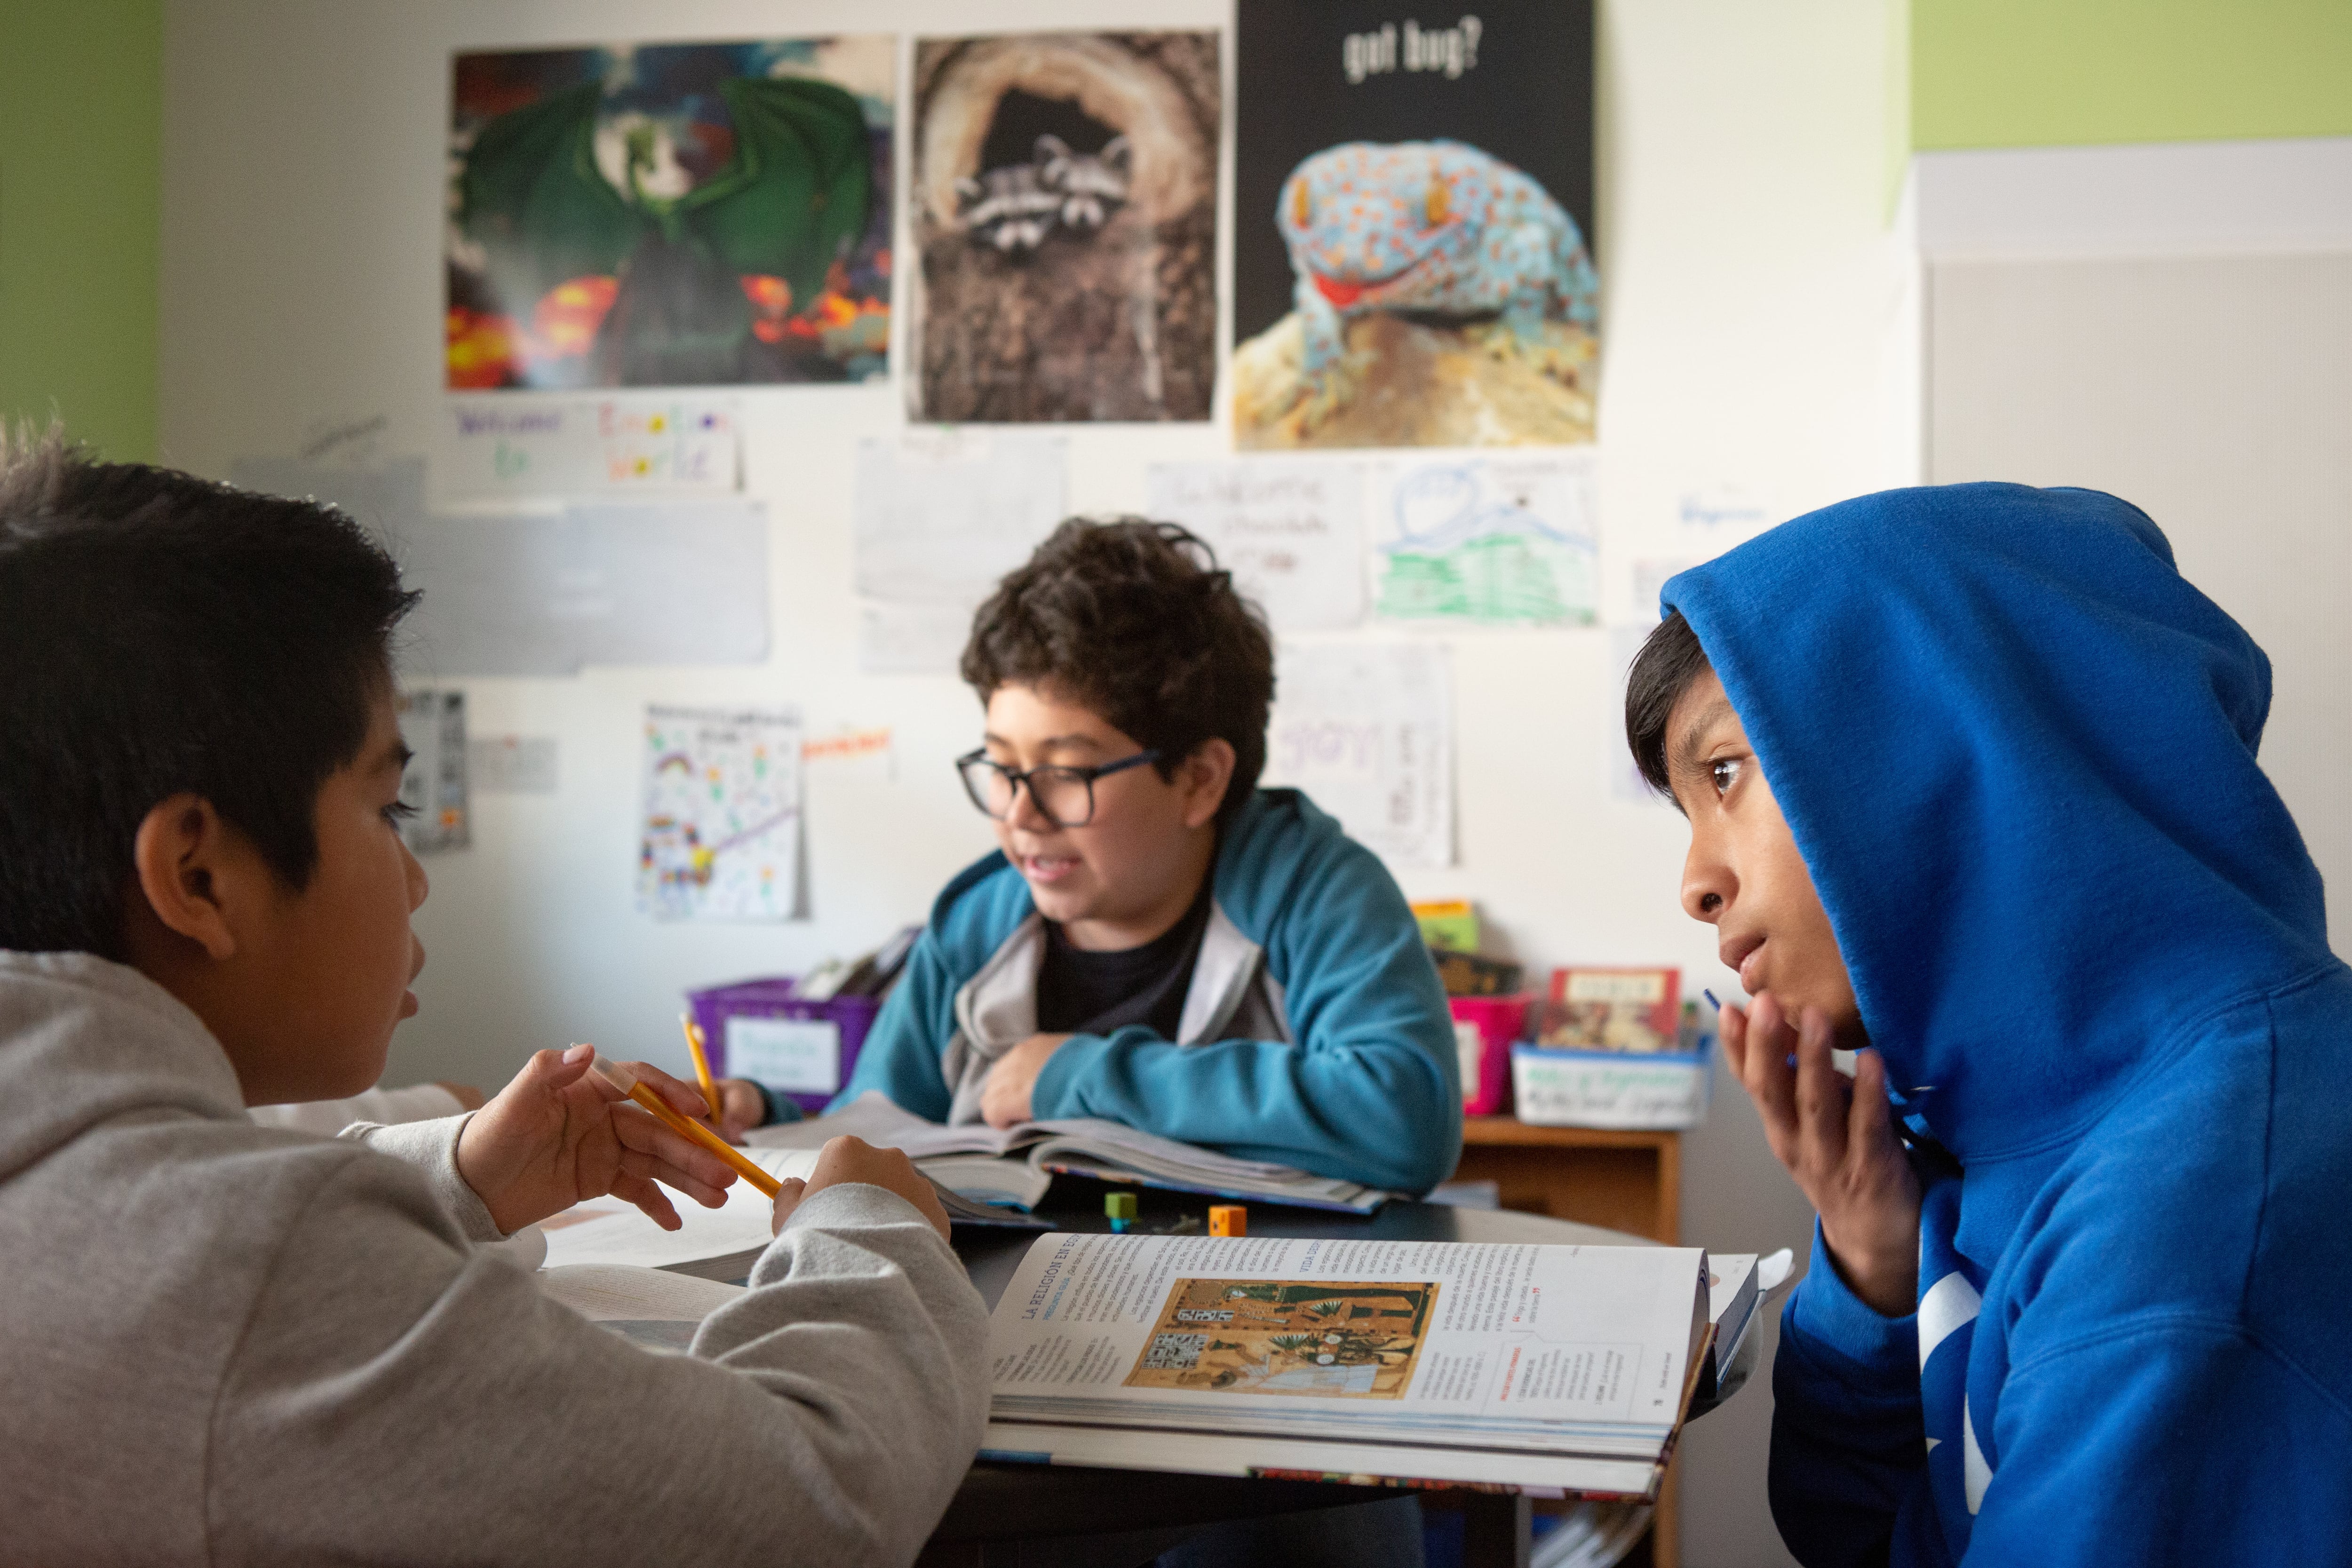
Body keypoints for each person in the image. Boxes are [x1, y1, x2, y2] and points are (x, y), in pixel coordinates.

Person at [0, 428, 988, 1565]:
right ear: (198, 875)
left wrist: (460, 1175)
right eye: (389, 810)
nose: (416, 878)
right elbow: (818, 1496)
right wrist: (871, 1227)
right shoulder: (246, 1263)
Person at [1623, 482, 2352, 1564]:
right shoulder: (2017, 1118)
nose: (1695, 882)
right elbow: (1869, 1542)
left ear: (1947, 743)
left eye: (1724, 773)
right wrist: (1871, 1263)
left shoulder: (2189, 1223)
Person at [723, 519, 1461, 1197]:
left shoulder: (1313, 890)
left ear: (1200, 779)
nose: (1020, 814)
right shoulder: (976, 926)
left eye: (1065, 774)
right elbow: (882, 1134)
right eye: (1003, 767)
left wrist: (1080, 1076)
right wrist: (764, 1117)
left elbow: (1406, 1118)